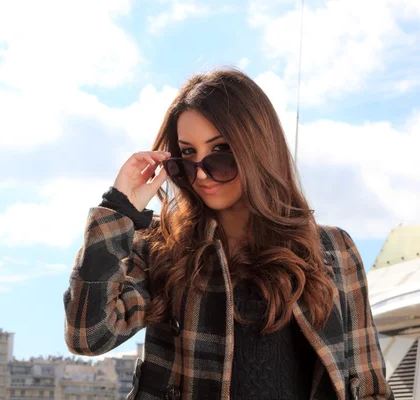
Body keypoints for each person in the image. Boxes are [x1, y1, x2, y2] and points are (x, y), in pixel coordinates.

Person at [63, 68, 393, 400]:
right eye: (188, 155)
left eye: (220, 150)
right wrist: (118, 209)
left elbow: (369, 386)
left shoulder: (335, 250)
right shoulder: (161, 248)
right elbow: (88, 336)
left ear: (258, 148)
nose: (203, 172)